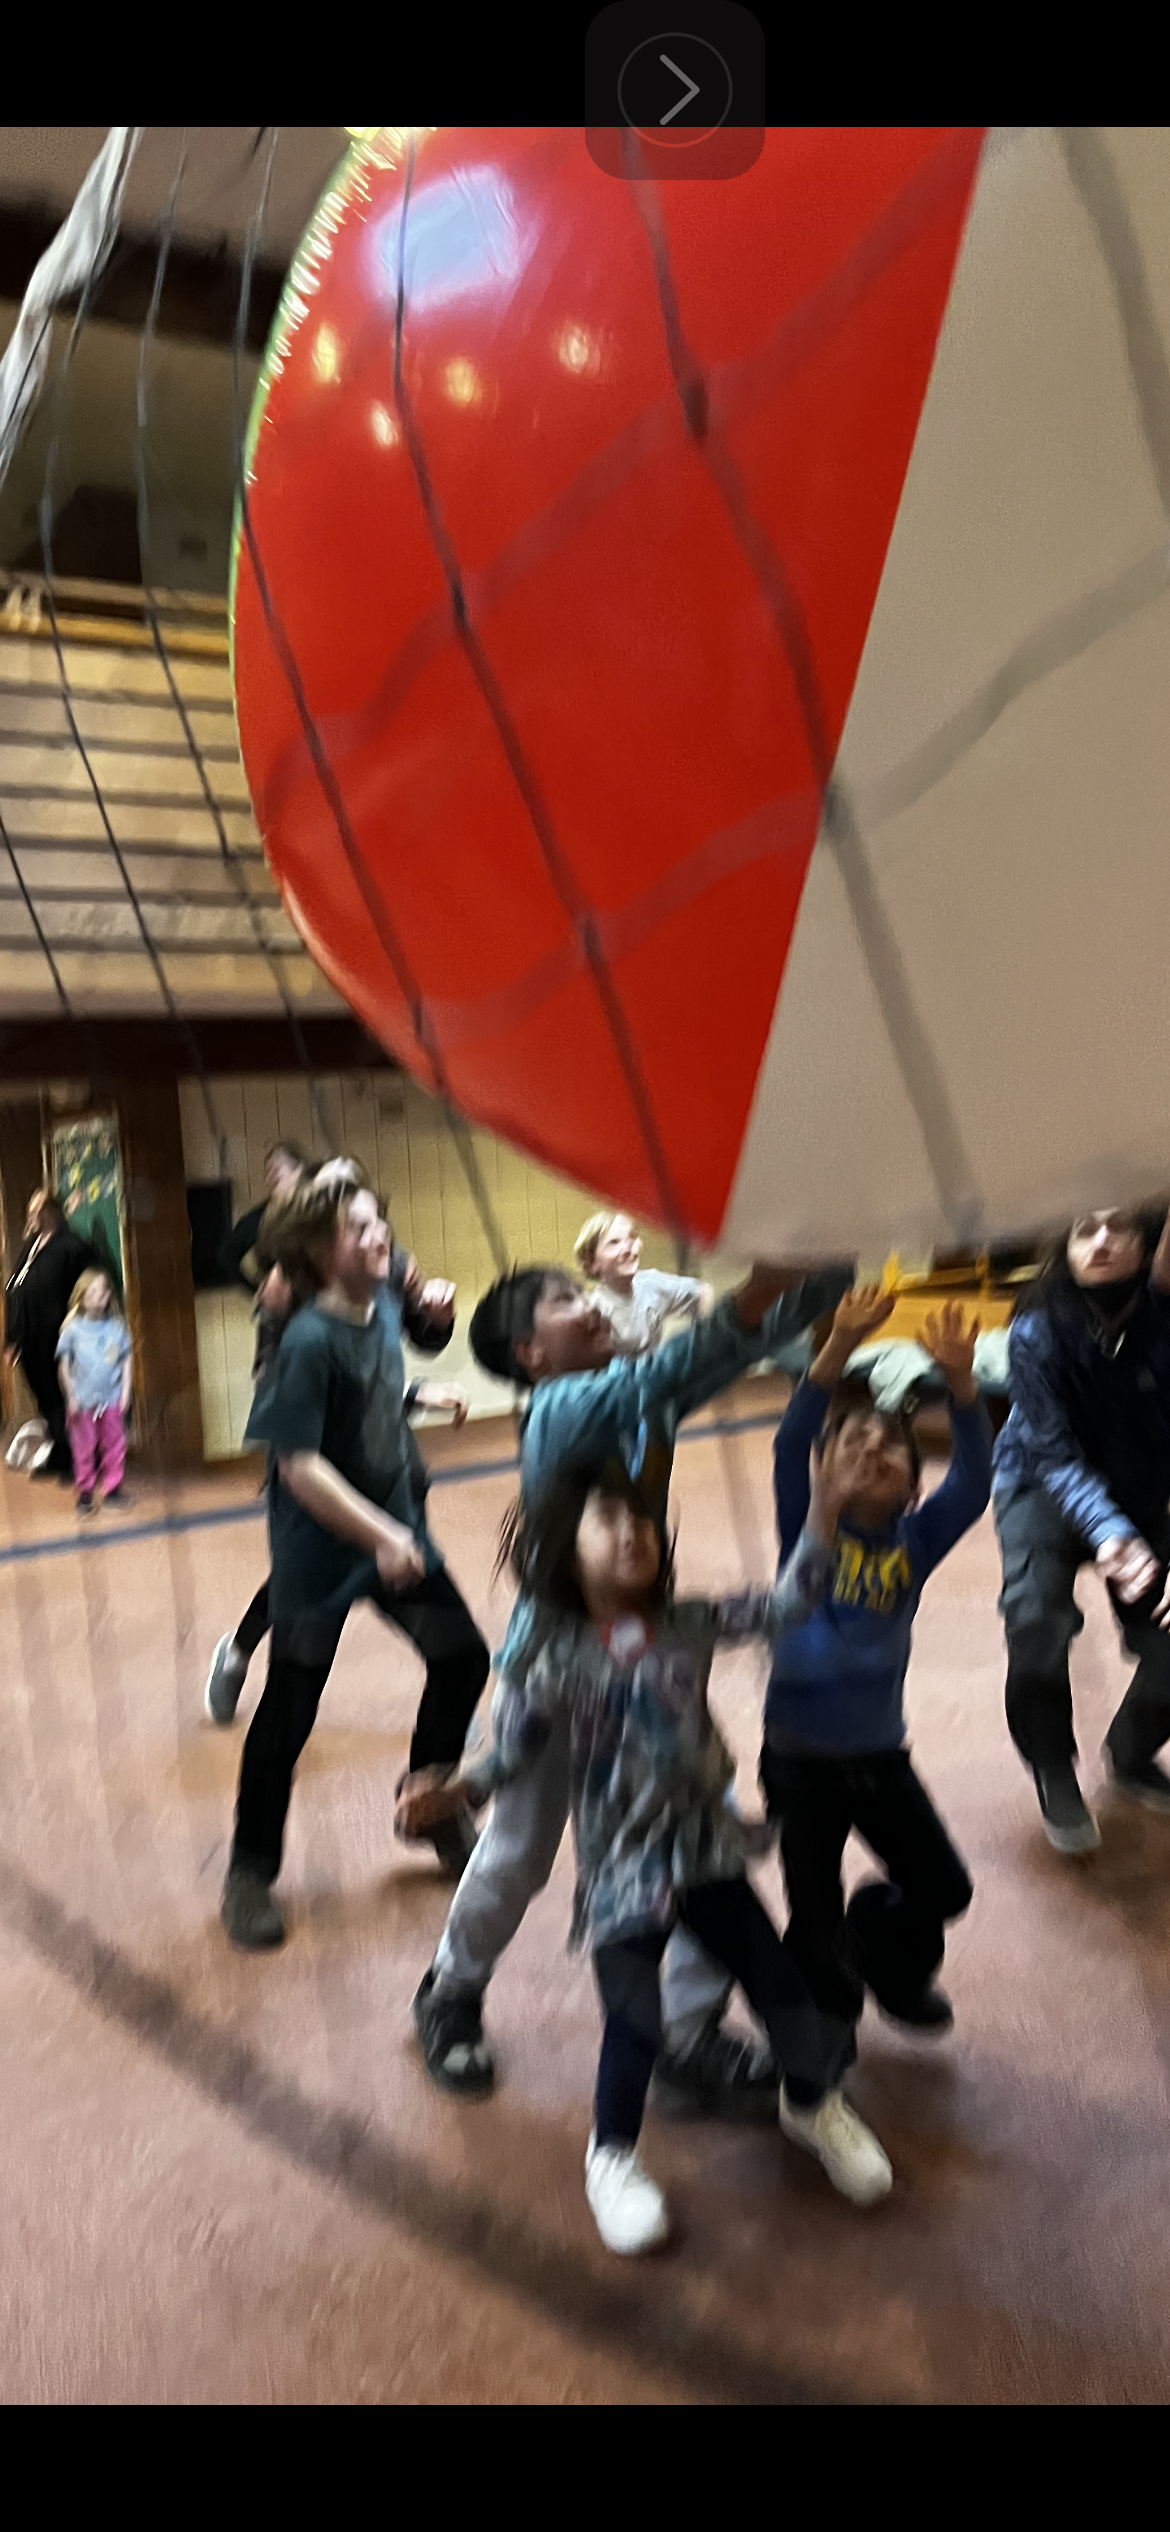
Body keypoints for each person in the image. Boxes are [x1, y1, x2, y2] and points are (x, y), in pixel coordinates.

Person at [399, 1436, 893, 2254]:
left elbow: (787, 1604)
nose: (633, 1530)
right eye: (607, 1519)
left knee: (783, 1994)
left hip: (705, 1856)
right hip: (625, 1874)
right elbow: (512, 1751)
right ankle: (613, 2159)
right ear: (563, 1549)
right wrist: (455, 1789)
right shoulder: (553, 1662)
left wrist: (828, 1509)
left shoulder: (686, 1625)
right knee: (632, 2023)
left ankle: (811, 2106)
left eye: (642, 1519)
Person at [411, 1251, 853, 2113]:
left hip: (642, 1660)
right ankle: (450, 1991)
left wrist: (825, 1272)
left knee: (695, 1837)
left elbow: (719, 1356)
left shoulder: (635, 1400)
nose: (588, 1303)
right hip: (556, 1670)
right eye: (563, 1301)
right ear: (528, 1354)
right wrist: (760, 1287)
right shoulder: (557, 1409)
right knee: (521, 1850)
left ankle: (685, 2034)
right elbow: (678, 1362)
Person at [219, 1165, 490, 1950]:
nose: (380, 1236)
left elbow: (364, 1398)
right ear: (313, 1249)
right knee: (289, 1712)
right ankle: (248, 1869)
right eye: (358, 1226)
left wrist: (420, 1395)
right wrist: (380, 1536)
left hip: (394, 1533)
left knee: (463, 1657)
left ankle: (431, 1807)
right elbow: (299, 1464)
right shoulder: (304, 1339)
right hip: (322, 1551)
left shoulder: (376, 1312)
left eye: (380, 1221)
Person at [761, 1289, 990, 2064]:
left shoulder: (914, 1543)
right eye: (852, 1440)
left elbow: (974, 1484)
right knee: (812, 1909)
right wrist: (839, 1347)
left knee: (945, 1889)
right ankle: (819, 2028)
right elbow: (793, 1442)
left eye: (889, 1447)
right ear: (824, 1472)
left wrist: (961, 1386)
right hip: (798, 1762)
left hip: (878, 1759)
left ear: (910, 1488)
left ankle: (887, 1960)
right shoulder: (807, 1527)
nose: (870, 1449)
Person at [204, 1183, 461, 1725]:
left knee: (409, 1559)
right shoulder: (291, 1288)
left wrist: (436, 1322)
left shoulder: (387, 1268)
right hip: (321, 1448)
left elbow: (411, 1340)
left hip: (383, 1446)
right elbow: (299, 1378)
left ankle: (449, 1682)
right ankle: (239, 1653)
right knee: (309, 1573)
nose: (375, 1232)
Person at [992, 1204, 1170, 1853]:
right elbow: (1053, 1453)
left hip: (1139, 1486)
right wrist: (1110, 1533)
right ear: (1062, 1248)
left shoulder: (1161, 1319)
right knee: (1034, 1615)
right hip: (1039, 1481)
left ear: (1147, 1241)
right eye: (1083, 1229)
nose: (1099, 1240)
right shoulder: (1036, 1330)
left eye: (1118, 1226)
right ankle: (1050, 1764)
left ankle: (1130, 1752)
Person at [4, 1190, 101, 1479]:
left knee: (64, 1400)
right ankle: (61, 1453)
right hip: (28, 1340)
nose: (30, 1217)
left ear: (50, 1213)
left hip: (58, 1340)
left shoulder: (73, 1247)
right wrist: (11, 1338)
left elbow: (89, 1290)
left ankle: (82, 1459)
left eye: (35, 1211)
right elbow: (15, 1289)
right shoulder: (32, 1244)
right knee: (45, 1400)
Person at [574, 1210, 714, 1355]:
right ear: (591, 1265)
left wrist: (700, 1341)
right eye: (614, 1242)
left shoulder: (651, 1282)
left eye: (631, 1238)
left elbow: (701, 1291)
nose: (629, 1249)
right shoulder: (594, 1312)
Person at [54, 1267, 133, 1515]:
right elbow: (64, 1367)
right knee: (84, 1448)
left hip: (110, 1399)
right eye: (93, 1290)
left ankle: (112, 1489)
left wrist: (126, 1392)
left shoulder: (117, 1328)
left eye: (103, 1290)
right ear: (82, 1296)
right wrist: (71, 1396)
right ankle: (85, 1491)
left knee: (114, 1445)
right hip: (83, 1402)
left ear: (110, 1295)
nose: (99, 1295)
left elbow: (126, 1361)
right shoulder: (72, 1331)